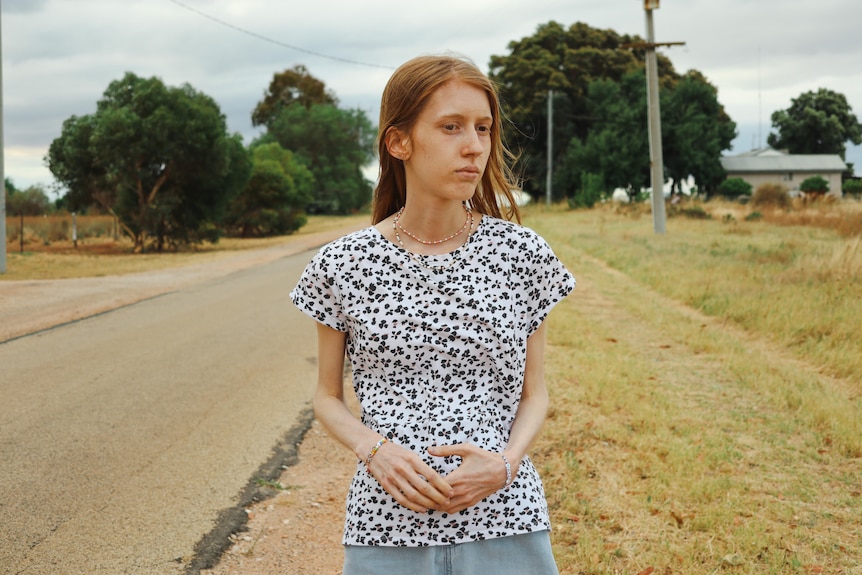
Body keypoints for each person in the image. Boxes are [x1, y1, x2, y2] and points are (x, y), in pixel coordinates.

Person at [290, 53, 575, 575]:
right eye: (451, 127)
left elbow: (536, 393)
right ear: (399, 142)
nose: (474, 146)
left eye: (483, 128)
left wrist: (505, 466)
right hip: (385, 527)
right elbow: (327, 398)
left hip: (506, 520)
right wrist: (374, 450)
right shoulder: (343, 264)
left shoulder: (523, 255)